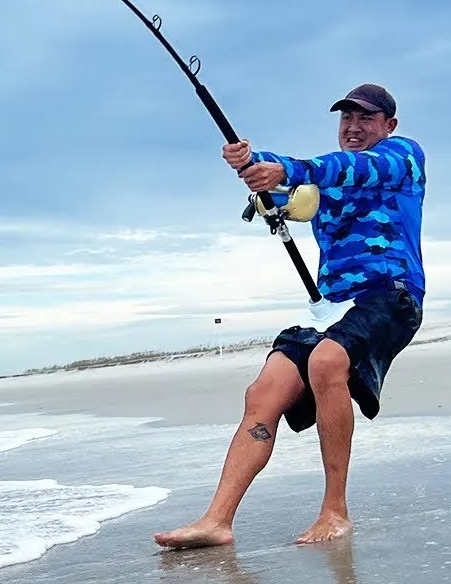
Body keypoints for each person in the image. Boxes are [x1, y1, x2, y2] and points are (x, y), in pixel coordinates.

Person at [153, 83, 427, 549]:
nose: (354, 127)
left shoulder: (402, 159)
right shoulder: (319, 184)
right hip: (333, 309)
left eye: (366, 119)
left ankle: (335, 511)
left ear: (389, 125)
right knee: (265, 389)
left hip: (391, 295)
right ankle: (216, 521)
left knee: (326, 362)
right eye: (346, 119)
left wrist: (289, 169)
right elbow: (281, 187)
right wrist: (250, 162)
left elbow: (348, 169)